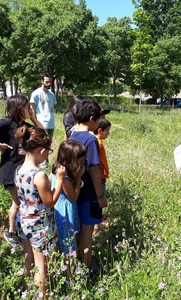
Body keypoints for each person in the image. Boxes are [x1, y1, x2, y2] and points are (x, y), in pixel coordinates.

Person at [0, 94, 43, 247]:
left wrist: (33, 118)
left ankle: (17, 230)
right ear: (19, 108)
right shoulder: (6, 123)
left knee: (20, 202)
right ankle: (11, 231)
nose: (30, 109)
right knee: (18, 203)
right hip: (10, 170)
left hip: (23, 171)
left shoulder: (25, 125)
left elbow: (42, 134)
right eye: (27, 107)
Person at [14, 125, 65, 294]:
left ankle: (28, 291)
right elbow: (49, 202)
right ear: (42, 150)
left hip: (24, 221)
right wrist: (59, 180)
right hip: (39, 225)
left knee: (28, 257)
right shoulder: (39, 175)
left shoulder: (19, 170)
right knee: (41, 264)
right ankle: (41, 295)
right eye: (48, 151)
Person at [69, 98, 108, 274]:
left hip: (77, 191)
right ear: (92, 119)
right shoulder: (90, 140)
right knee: (87, 231)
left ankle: (79, 261)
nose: (100, 122)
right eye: (99, 119)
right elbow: (94, 170)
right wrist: (100, 196)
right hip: (90, 193)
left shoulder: (72, 135)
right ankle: (87, 266)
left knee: (79, 230)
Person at [51, 140, 87, 256]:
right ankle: (69, 269)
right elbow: (73, 197)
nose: (82, 164)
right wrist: (78, 179)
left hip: (61, 208)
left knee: (61, 240)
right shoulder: (64, 177)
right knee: (67, 240)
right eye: (80, 162)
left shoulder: (58, 169)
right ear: (70, 160)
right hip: (65, 211)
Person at [30, 73, 57, 169]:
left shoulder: (52, 95)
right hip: (41, 123)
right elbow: (32, 109)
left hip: (51, 123)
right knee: (41, 143)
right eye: (46, 81)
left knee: (48, 144)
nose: (48, 83)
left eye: (50, 82)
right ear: (42, 81)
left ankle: (45, 163)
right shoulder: (36, 93)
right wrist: (36, 122)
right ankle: (42, 165)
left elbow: (52, 108)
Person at [93, 118, 112, 233]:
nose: (108, 133)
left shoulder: (97, 142)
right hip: (100, 177)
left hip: (100, 176)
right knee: (98, 200)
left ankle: (97, 223)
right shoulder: (98, 143)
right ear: (100, 130)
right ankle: (96, 227)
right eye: (107, 131)